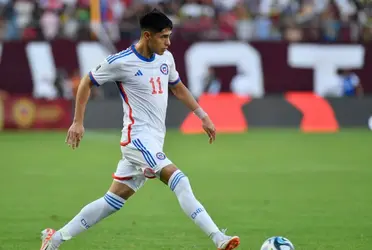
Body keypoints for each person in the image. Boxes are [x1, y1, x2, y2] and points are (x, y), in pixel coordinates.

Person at [39, 9, 240, 250]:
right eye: (163, 37)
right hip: (138, 139)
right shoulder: (121, 62)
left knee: (110, 202)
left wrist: (203, 115)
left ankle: (55, 239)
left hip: (154, 139)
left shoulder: (166, 58)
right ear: (147, 36)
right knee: (180, 180)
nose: (168, 42)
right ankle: (219, 238)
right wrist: (78, 121)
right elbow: (86, 82)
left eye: (169, 36)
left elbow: (177, 88)